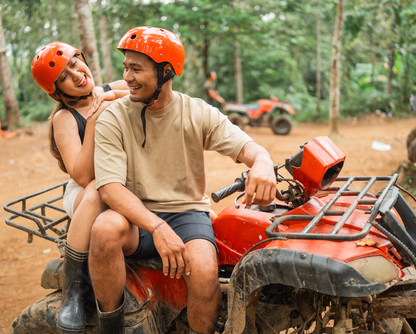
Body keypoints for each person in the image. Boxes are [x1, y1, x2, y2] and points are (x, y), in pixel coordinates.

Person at [87, 26, 277, 334]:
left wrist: (263, 162)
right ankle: (111, 327)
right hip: (136, 216)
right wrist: (156, 226)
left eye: (136, 69)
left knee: (204, 272)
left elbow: (247, 147)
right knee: (104, 229)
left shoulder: (197, 112)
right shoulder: (114, 117)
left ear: (165, 71)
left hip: (187, 213)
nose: (128, 77)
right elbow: (110, 188)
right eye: (126, 68)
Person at [30, 42, 129, 334]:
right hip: (87, 191)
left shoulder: (116, 87)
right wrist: (96, 119)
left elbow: (153, 96)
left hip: (125, 182)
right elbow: (84, 176)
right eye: (63, 77)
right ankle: (73, 291)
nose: (75, 74)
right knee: (100, 187)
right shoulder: (64, 119)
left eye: (75, 63)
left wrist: (108, 96)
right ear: (57, 92)